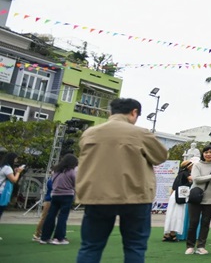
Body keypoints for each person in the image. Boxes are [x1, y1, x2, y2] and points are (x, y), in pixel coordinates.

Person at [75, 98, 169, 263]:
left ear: (110, 112)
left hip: (97, 196)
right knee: (135, 246)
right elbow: (161, 156)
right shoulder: (140, 133)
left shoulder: (90, 132)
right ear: (134, 112)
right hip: (135, 195)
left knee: (91, 246)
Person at [186, 144, 211, 255]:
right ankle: (190, 246)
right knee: (193, 223)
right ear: (203, 154)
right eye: (206, 152)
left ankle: (201, 246)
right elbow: (196, 179)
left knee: (205, 223)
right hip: (195, 198)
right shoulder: (197, 165)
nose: (208, 154)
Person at [39, 153, 78, 245]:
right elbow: (76, 183)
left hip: (55, 195)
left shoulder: (56, 171)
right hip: (67, 195)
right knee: (62, 217)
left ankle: (44, 237)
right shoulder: (71, 172)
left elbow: (52, 182)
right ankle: (59, 238)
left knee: (50, 216)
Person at [163, 159, 192, 242]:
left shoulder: (179, 174)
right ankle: (173, 234)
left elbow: (173, 187)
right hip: (180, 195)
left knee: (171, 214)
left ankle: (167, 234)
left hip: (174, 195)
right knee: (178, 214)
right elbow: (194, 179)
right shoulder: (186, 173)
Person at [0, 152, 24, 223]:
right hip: (2, 192)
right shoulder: (7, 168)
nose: (16, 161)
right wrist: (18, 172)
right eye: (15, 159)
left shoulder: (2, 167)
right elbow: (14, 180)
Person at [33, 175, 53, 241]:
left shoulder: (52, 179)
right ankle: (37, 234)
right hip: (49, 200)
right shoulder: (51, 180)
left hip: (51, 200)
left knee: (48, 218)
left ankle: (42, 234)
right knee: (44, 217)